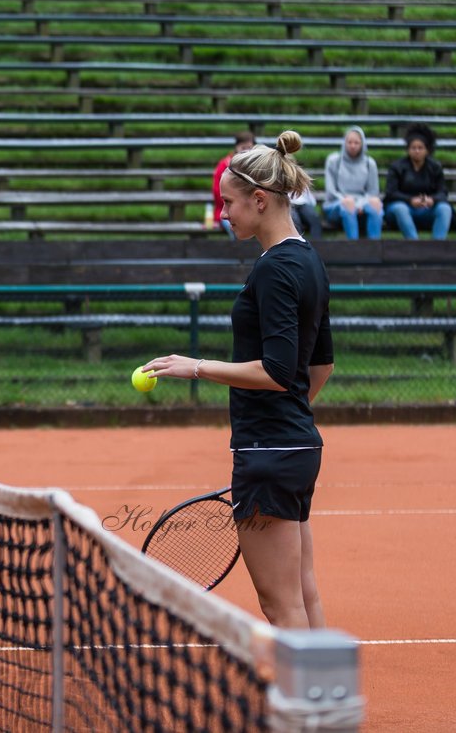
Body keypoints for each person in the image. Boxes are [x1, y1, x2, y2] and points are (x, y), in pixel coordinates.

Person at [142, 131, 334, 630]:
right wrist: (288, 417)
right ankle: (318, 702)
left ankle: (298, 708)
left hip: (269, 451)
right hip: (294, 447)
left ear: (260, 199)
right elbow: (320, 367)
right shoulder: (309, 260)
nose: (223, 213)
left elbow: (275, 370)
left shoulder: (273, 271)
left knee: (280, 603)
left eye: (228, 203)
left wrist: (197, 366)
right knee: (303, 592)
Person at [384, 123, 455, 240]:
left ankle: (437, 248)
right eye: (413, 148)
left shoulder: (435, 167)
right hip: (401, 209)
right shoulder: (397, 167)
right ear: (408, 149)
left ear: (427, 150)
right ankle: (415, 246)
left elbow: (443, 192)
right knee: (400, 208)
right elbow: (391, 193)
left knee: (444, 208)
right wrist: (410, 200)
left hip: (427, 208)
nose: (417, 151)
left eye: (420, 148)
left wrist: (432, 200)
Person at [322, 126, 383, 240]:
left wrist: (358, 204)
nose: (353, 146)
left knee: (376, 205)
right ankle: (354, 249)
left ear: (362, 144)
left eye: (356, 142)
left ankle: (375, 251)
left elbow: (373, 192)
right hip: (336, 204)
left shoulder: (370, 163)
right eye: (349, 142)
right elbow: (331, 192)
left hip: (362, 203)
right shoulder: (333, 161)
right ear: (344, 143)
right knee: (348, 205)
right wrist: (347, 202)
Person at [212, 131, 255, 238]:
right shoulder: (225, 164)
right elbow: (218, 192)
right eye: (243, 147)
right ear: (236, 147)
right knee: (237, 228)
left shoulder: (256, 166)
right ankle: (238, 253)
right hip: (227, 210)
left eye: (249, 148)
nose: (246, 151)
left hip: (251, 209)